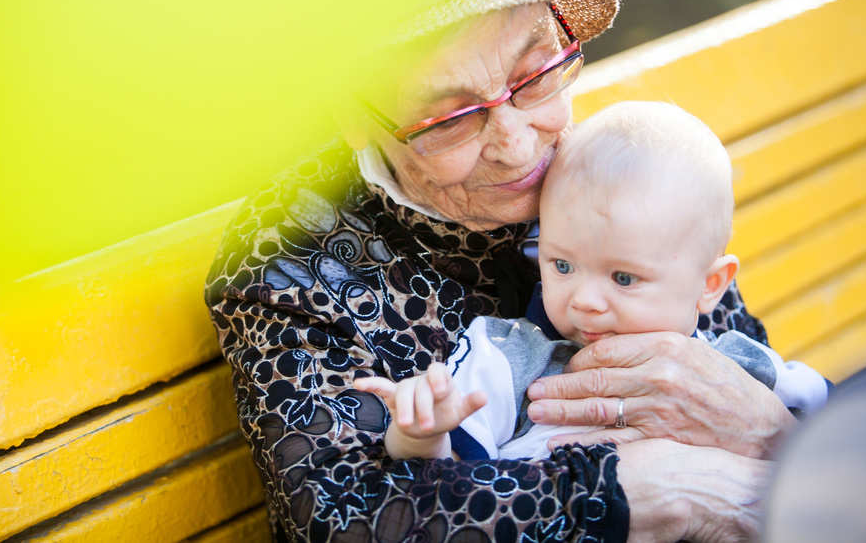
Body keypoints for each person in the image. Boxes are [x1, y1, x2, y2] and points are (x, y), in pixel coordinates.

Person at [205, 0, 796, 541]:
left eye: (536, 74)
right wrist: (631, 491)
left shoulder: (605, 171)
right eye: (451, 116)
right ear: (354, 116)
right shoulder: (290, 263)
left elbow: (740, 380)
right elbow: (350, 517)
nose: (517, 147)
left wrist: (774, 433)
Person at [354, 101, 830, 462]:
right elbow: (448, 474)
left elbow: (841, 426)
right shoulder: (511, 358)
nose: (584, 300)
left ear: (710, 285)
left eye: (624, 277)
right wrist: (420, 432)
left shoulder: (734, 370)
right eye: (561, 265)